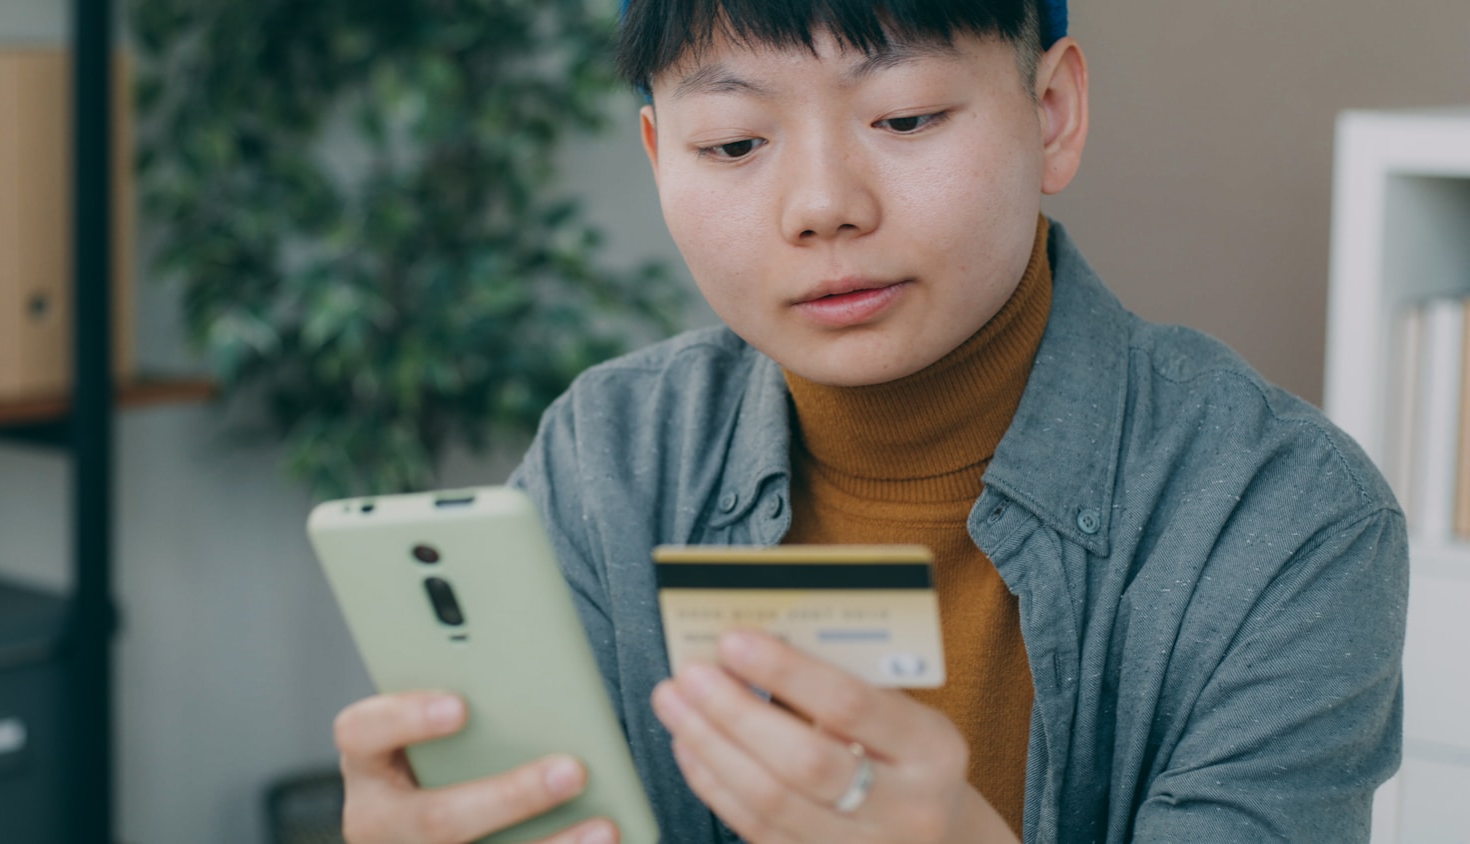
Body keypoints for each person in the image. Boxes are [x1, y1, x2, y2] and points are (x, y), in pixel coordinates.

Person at [331, 0, 1408, 841]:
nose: (822, 204)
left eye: (903, 118)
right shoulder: (605, 456)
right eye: (735, 143)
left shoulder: (1284, 517)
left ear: (1052, 113)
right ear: (660, 157)